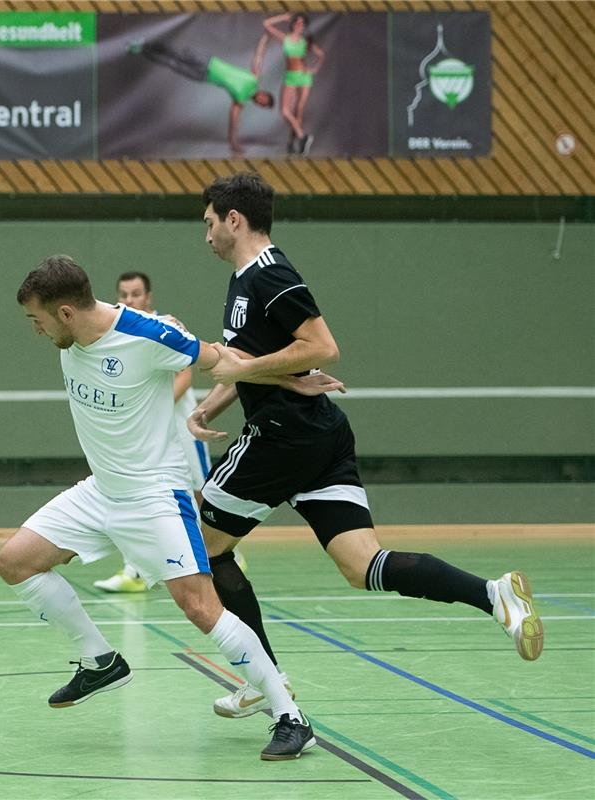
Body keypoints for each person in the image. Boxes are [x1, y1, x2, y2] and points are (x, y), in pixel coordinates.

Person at [188, 172, 544, 720]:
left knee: (201, 547)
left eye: (209, 223)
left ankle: (264, 678)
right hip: (317, 432)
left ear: (234, 220)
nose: (205, 235)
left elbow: (322, 346)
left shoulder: (269, 273)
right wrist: (211, 405)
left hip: (282, 435)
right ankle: (495, 595)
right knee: (362, 566)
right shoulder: (243, 280)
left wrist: (249, 369)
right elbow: (258, 359)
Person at [0, 255, 316, 761]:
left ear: (64, 312)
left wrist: (288, 376)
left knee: (201, 608)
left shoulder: (147, 334)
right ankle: (99, 660)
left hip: (154, 495)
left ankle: (290, 717)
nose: (35, 331)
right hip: (101, 490)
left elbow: (223, 359)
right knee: (14, 562)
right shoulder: (74, 335)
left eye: (36, 319)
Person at [94, 270, 246, 593]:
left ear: (148, 297)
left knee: (201, 493)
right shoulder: (119, 332)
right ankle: (135, 570)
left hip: (182, 428)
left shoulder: (166, 327)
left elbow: (184, 378)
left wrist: (141, 408)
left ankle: (226, 550)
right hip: (148, 439)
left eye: (136, 294)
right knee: (141, 495)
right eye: (124, 295)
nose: (129, 300)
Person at [128, 37, 275, 155]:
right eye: (265, 98)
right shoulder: (254, 78)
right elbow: (259, 55)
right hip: (208, 61)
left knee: (171, 63)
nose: (261, 100)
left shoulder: (240, 100)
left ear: (258, 105)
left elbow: (233, 120)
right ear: (264, 93)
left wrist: (234, 143)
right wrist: (266, 36)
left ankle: (140, 49)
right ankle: (144, 42)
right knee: (176, 53)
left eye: (263, 103)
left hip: (203, 76)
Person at [262, 13, 324, 155]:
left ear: (304, 27)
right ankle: (303, 137)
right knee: (285, 111)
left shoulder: (305, 42)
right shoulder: (286, 38)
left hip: (304, 77)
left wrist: (314, 69)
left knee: (298, 111)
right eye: (297, 21)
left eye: (302, 23)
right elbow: (266, 24)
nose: (298, 24)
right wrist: (282, 17)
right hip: (290, 77)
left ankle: (293, 144)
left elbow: (321, 55)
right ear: (293, 24)